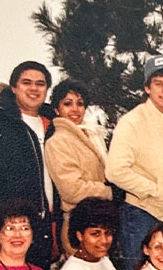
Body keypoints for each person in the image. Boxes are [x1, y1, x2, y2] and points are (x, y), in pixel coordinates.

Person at [0, 61, 59, 270]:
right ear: (14, 87)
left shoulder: (55, 125)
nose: (33, 89)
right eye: (26, 83)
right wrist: (1, 218)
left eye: (40, 84)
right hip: (4, 229)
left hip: (44, 228)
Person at [107, 54, 163, 270]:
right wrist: (154, 190)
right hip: (139, 214)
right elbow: (115, 171)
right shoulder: (131, 121)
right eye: (158, 83)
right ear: (147, 88)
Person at [44, 79, 113, 255]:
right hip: (79, 224)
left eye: (80, 104)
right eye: (68, 104)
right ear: (57, 109)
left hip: (101, 221)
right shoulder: (58, 141)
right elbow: (72, 190)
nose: (75, 109)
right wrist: (109, 192)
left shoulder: (91, 136)